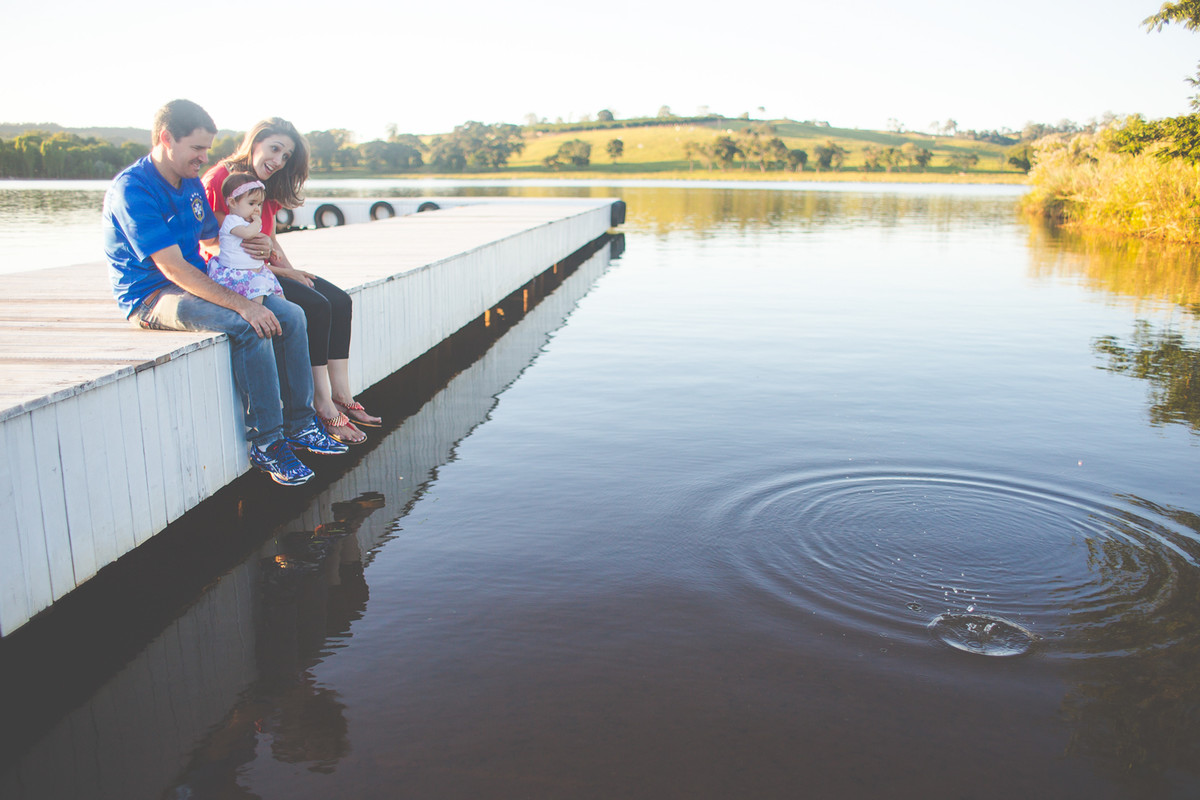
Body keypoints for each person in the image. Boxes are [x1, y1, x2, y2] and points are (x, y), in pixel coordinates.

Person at [104, 99, 347, 487]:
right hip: (152, 296)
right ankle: (267, 442)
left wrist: (260, 249)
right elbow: (172, 267)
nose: (205, 157)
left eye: (206, 149)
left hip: (197, 280)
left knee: (292, 315)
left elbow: (213, 240)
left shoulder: (191, 187)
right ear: (167, 138)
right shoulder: (133, 190)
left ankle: (301, 424)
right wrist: (244, 305)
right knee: (250, 324)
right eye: (197, 148)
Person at [203, 118, 381, 446]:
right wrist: (280, 273)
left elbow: (269, 238)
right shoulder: (223, 179)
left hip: (262, 270)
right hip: (236, 274)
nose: (279, 160)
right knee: (315, 306)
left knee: (339, 300)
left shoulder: (264, 184)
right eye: (275, 149)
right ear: (254, 142)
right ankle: (322, 402)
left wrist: (290, 270)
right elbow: (215, 241)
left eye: (286, 156)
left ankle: (342, 393)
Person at [209, 172, 284, 303]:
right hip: (237, 273)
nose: (257, 209)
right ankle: (257, 314)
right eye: (251, 203)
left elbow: (257, 238)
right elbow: (248, 234)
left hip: (256, 271)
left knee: (278, 290)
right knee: (258, 294)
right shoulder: (232, 221)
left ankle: (283, 305)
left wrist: (272, 250)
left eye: (259, 204)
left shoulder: (248, 223)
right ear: (232, 203)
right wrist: (258, 222)